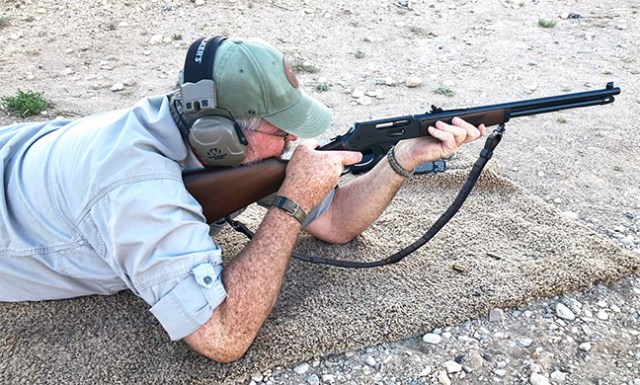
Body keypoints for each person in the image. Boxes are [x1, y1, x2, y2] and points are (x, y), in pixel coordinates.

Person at [0, 36, 485, 363]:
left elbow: (336, 223)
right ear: (219, 134)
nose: (295, 139)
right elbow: (222, 338)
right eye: (282, 130)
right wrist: (291, 203)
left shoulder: (189, 128)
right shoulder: (138, 193)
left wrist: (402, 159)